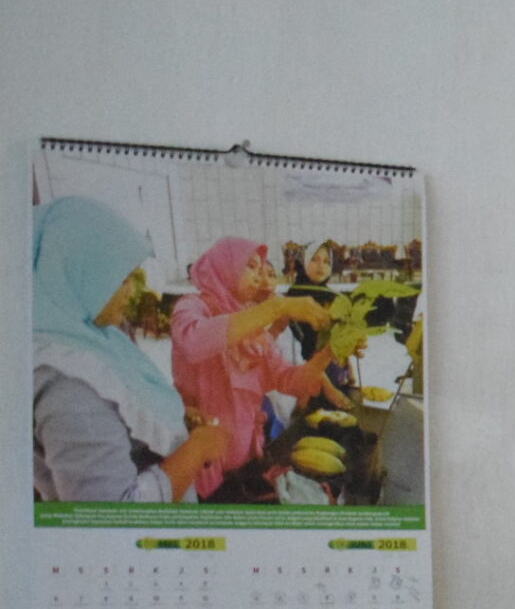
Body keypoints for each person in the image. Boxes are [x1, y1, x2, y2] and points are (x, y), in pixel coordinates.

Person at [30, 197, 229, 503]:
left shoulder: (91, 335)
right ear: (78, 273)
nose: (131, 291)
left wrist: (173, 421)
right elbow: (111, 513)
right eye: (121, 279)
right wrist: (197, 449)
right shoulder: (70, 387)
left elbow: (121, 407)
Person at [168, 237, 344, 497]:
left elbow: (289, 379)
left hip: (247, 460)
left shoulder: (253, 327)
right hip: (201, 466)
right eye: (251, 266)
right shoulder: (192, 306)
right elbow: (195, 342)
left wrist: (331, 350)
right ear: (225, 266)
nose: (259, 277)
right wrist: (277, 307)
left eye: (261, 269)